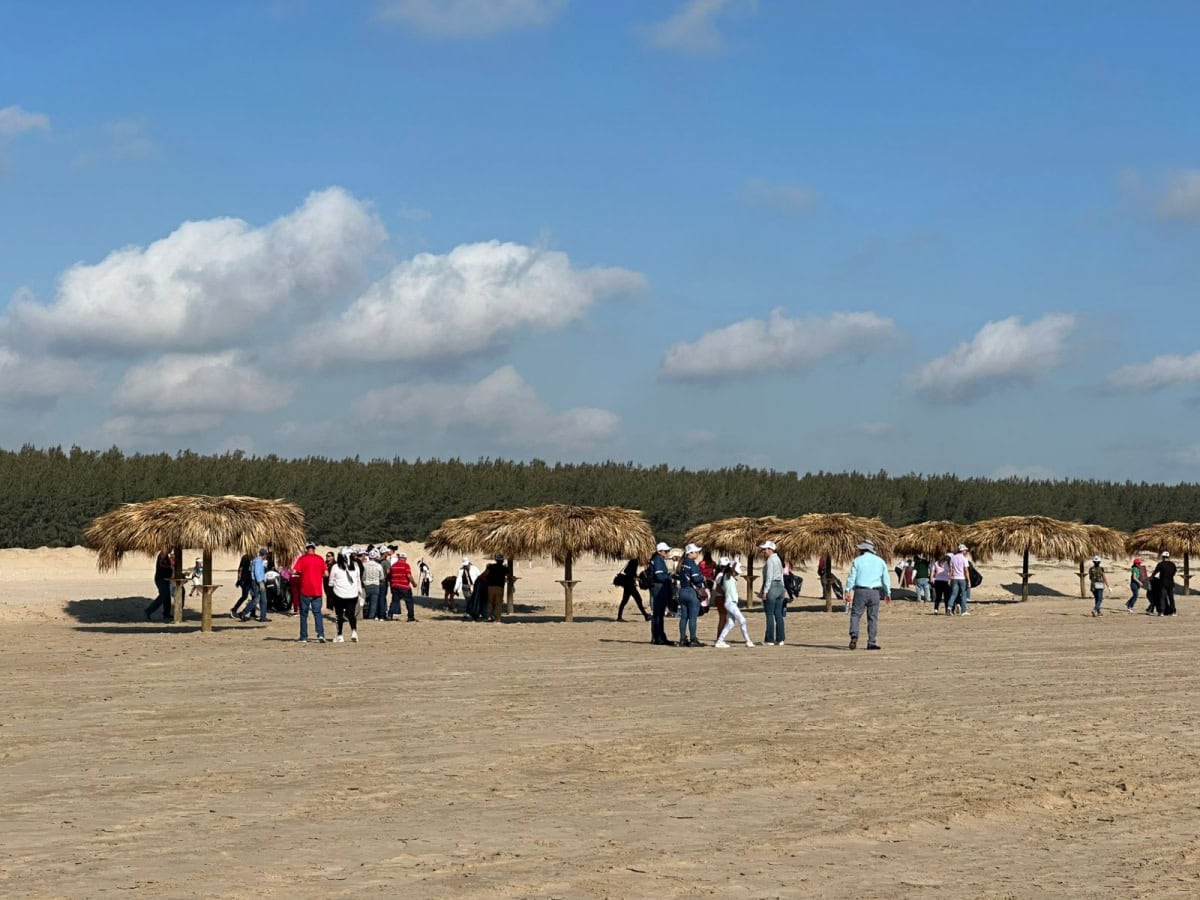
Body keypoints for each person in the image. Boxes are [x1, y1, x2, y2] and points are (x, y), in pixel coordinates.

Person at [846, 540, 891, 650]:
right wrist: (888, 593)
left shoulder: (857, 560)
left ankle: (854, 635)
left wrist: (847, 590)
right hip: (875, 592)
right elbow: (886, 579)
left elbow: (851, 577)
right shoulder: (880, 561)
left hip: (860, 591)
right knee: (872, 617)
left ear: (863, 550)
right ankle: (871, 642)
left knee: (856, 615)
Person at [292, 541, 328, 643]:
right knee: (317, 613)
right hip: (317, 590)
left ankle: (304, 637)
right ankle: (320, 634)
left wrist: (302, 573)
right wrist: (318, 574)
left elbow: (294, 571)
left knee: (304, 614)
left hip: (305, 590)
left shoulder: (302, 559)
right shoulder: (320, 559)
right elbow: (326, 574)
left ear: (306, 549)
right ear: (314, 549)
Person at [714, 557, 753, 648]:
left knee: (731, 623)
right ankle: (748, 641)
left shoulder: (727, 577)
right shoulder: (726, 576)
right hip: (730, 603)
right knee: (742, 620)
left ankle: (719, 640)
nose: (738, 573)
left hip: (731, 603)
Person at [327, 550, 361, 642]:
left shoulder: (335, 567)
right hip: (353, 594)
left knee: (339, 615)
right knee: (351, 614)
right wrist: (359, 592)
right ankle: (354, 632)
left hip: (339, 594)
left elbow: (331, 582)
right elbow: (358, 580)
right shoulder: (355, 566)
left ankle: (340, 635)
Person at [676, 543, 706, 647]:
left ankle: (682, 639)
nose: (698, 554)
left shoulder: (682, 563)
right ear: (690, 553)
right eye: (696, 552)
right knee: (693, 618)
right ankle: (693, 639)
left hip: (682, 591)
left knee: (684, 617)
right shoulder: (692, 564)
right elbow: (696, 579)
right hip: (691, 592)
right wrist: (702, 578)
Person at [759, 540, 786, 646]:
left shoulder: (770, 560)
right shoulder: (778, 559)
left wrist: (765, 591)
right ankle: (780, 639)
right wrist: (783, 589)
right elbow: (781, 575)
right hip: (780, 587)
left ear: (770, 549)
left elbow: (769, 577)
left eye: (765, 549)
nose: (763, 551)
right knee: (778, 614)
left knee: (769, 613)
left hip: (772, 587)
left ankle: (769, 639)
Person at [648, 542, 675, 646]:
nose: (667, 553)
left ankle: (659, 636)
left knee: (658, 613)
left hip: (657, 587)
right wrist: (669, 579)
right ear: (660, 551)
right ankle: (658, 637)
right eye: (666, 551)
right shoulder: (658, 560)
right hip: (659, 588)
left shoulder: (657, 559)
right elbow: (659, 576)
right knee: (658, 613)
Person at [239, 547, 270, 622]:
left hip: (255, 581)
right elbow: (257, 572)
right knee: (259, 599)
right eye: (266, 555)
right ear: (264, 555)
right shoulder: (258, 561)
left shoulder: (254, 560)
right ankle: (244, 612)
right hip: (258, 582)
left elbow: (251, 570)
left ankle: (262, 616)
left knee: (261, 599)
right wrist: (260, 582)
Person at [145, 550, 174, 621]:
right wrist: (170, 567)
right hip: (161, 579)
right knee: (163, 595)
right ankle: (148, 610)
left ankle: (166, 614)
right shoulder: (163, 554)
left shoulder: (166, 556)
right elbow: (161, 564)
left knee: (167, 597)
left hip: (166, 579)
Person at [388, 551, 416, 622]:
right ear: (405, 558)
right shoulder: (406, 565)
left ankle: (390, 615)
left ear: (399, 558)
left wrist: (391, 584)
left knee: (394, 601)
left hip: (394, 586)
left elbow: (389, 576)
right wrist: (413, 583)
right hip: (404, 586)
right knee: (409, 601)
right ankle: (410, 617)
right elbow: (409, 576)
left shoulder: (393, 566)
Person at [361, 549, 386, 620]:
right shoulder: (378, 566)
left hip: (366, 584)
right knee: (374, 602)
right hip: (375, 585)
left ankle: (363, 614)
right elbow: (382, 577)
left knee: (364, 601)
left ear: (369, 557)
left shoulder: (364, 565)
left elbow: (362, 575)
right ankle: (371, 617)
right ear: (375, 557)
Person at [482, 554, 507, 622]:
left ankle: (489, 616)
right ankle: (497, 618)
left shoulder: (491, 567)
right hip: (500, 587)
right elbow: (508, 576)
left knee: (490, 602)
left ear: (496, 560)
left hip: (490, 587)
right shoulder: (504, 568)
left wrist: (487, 581)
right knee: (498, 603)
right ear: (502, 561)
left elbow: (483, 575)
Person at [1152, 551, 1178, 616]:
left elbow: (1155, 572)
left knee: (1162, 597)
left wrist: (1151, 577)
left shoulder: (1160, 564)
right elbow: (1174, 572)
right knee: (1171, 598)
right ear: (1168, 557)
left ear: (1162, 557)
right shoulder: (1172, 564)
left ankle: (1162, 612)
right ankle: (1173, 612)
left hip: (1163, 583)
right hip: (1171, 583)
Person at [948, 544, 971, 616]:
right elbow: (966, 570)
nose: (966, 551)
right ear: (962, 551)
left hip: (954, 578)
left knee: (953, 594)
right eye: (965, 550)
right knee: (964, 594)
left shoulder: (953, 558)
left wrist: (949, 579)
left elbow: (951, 570)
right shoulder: (964, 558)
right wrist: (969, 580)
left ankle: (949, 607)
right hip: (962, 578)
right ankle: (964, 611)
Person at [230, 553, 252, 619]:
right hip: (245, 580)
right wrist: (239, 579)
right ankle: (234, 609)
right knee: (245, 596)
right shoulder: (246, 557)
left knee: (254, 596)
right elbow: (240, 568)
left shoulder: (252, 557)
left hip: (249, 579)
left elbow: (240, 569)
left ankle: (252, 612)